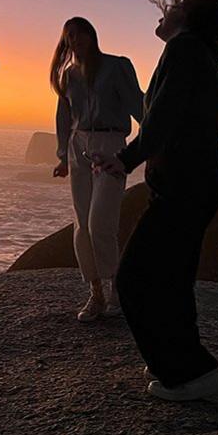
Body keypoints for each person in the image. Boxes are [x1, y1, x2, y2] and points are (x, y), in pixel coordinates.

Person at [94, 0, 218, 402]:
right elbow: (170, 115)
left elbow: (161, 119)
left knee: (135, 279)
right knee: (173, 279)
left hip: (184, 183)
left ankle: (185, 371)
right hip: (198, 180)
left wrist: (126, 158)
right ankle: (187, 364)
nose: (166, 7)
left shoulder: (184, 50)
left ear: (190, 14)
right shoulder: (203, 56)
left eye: (177, 3)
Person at [50, 17, 143, 322]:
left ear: (92, 36)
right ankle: (96, 294)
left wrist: (154, 143)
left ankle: (117, 288)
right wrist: (63, 156)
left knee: (101, 221)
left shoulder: (117, 66)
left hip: (111, 145)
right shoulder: (67, 75)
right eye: (70, 36)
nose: (76, 40)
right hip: (80, 149)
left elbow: (138, 105)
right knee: (82, 225)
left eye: (81, 34)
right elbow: (64, 117)